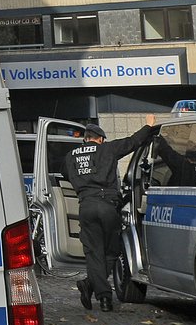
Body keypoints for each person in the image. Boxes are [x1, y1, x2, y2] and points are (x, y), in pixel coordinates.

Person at [66, 112, 161, 313]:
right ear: (100, 139)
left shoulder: (70, 156)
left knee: (94, 253)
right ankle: (103, 297)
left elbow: (66, 175)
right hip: (108, 205)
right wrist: (149, 126)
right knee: (111, 251)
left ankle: (92, 287)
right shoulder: (107, 149)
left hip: (86, 205)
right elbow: (133, 142)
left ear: (85, 139)